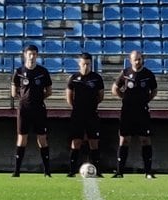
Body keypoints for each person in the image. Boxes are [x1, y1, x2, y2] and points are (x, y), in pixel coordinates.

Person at [113, 49, 158, 179]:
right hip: (127, 111)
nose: (138, 61)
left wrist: (146, 100)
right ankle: (119, 172)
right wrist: (124, 98)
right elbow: (115, 89)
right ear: (130, 60)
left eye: (139, 59)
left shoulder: (148, 74)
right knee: (124, 139)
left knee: (145, 139)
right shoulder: (125, 73)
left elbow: (154, 90)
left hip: (142, 111)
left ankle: (148, 172)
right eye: (135, 59)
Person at [9, 43, 53, 176]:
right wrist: (24, 100)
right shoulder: (19, 72)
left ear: (37, 55)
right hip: (24, 110)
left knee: (42, 138)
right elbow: (13, 92)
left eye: (34, 54)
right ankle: (17, 171)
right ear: (25, 55)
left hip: (39, 109)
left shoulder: (43, 72)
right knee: (22, 138)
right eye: (30, 54)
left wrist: (38, 99)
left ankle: (47, 171)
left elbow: (49, 91)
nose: (32, 57)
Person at [65, 51, 104, 173]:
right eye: (84, 64)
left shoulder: (97, 78)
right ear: (79, 64)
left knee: (94, 142)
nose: (86, 66)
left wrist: (92, 106)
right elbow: (69, 97)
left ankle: (97, 169)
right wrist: (77, 107)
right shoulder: (74, 78)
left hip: (92, 114)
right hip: (77, 114)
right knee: (76, 141)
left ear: (91, 64)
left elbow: (101, 96)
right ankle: (72, 170)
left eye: (88, 64)